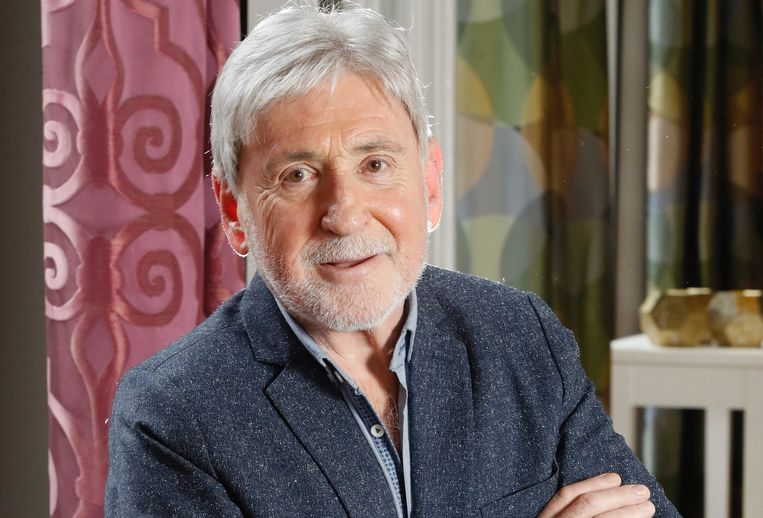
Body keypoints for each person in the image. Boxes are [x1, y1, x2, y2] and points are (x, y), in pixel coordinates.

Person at [105, 3, 679, 517]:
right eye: (298, 175)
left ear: (429, 182)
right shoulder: (171, 417)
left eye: (375, 165)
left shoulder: (519, 335)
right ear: (234, 211)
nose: (345, 214)